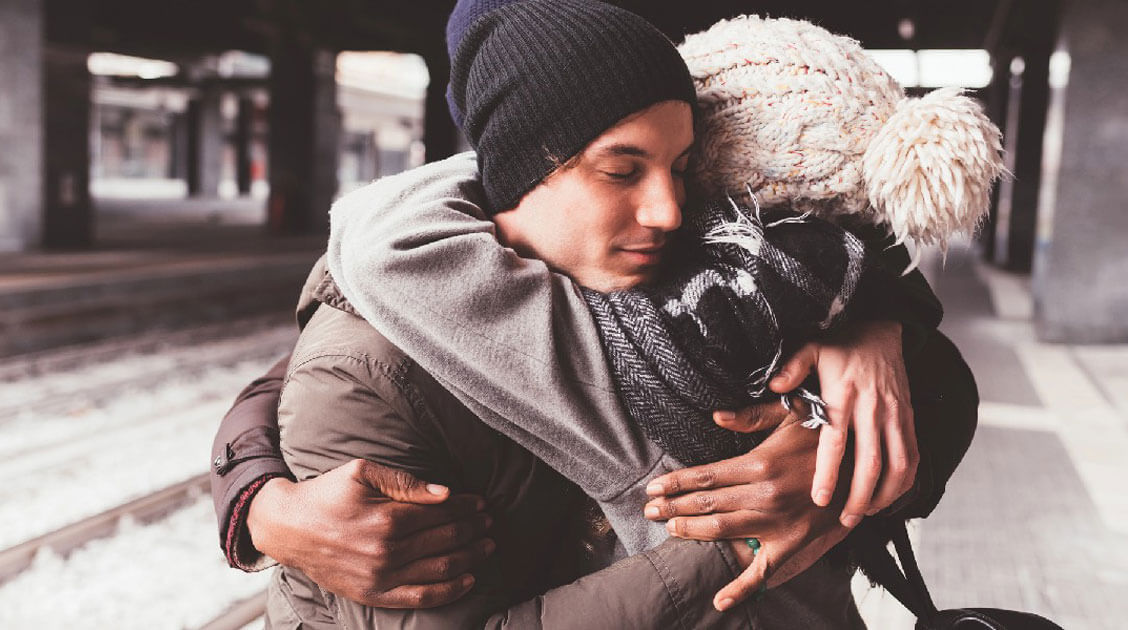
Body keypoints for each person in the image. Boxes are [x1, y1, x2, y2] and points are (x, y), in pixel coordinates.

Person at [210, 0, 979, 626]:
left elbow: (896, 332)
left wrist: (879, 337)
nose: (668, 209)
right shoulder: (396, 321)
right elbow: (338, 376)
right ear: (518, 170)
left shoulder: (663, 270)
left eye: (681, 168)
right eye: (620, 170)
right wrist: (259, 502)